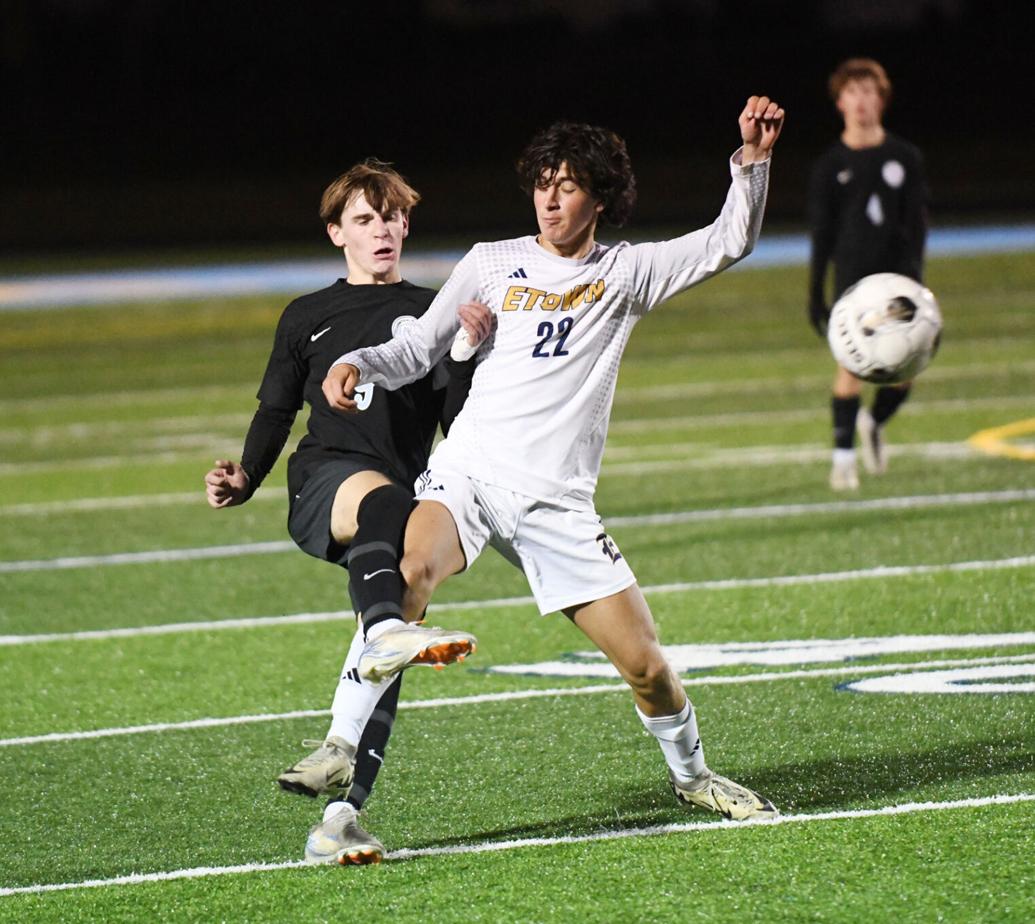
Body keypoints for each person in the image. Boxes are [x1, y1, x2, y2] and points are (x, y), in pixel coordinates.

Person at [321, 97, 785, 822]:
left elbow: (729, 240)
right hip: (468, 473)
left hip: (555, 501)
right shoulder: (491, 262)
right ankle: (339, 749)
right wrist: (361, 360)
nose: (549, 197)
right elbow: (418, 347)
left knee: (646, 667)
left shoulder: (628, 272)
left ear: (599, 196)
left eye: (567, 185)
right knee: (408, 578)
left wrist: (751, 163)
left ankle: (693, 778)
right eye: (542, 181)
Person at [204, 159, 491, 865]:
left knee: (391, 635)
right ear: (338, 232)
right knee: (390, 544)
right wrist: (246, 475)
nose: (382, 229)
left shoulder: (434, 314)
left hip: (395, 503)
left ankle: (339, 815)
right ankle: (387, 629)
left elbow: (456, 424)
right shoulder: (306, 314)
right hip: (325, 483)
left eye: (392, 216)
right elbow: (275, 410)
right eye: (365, 219)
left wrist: (464, 350)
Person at [807, 58, 929, 490]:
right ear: (840, 102)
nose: (861, 101)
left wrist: (918, 279)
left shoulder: (905, 157)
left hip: (897, 278)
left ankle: (874, 423)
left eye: (869, 92)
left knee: (906, 368)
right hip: (853, 282)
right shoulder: (829, 167)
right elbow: (821, 235)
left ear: (882, 99)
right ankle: (842, 459)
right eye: (853, 93)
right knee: (851, 367)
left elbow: (916, 225)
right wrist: (815, 293)